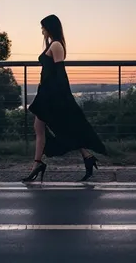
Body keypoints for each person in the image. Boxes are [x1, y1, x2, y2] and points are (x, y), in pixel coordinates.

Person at [22, 14, 106, 183]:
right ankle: (86, 156)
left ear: (50, 27)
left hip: (51, 94)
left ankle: (38, 164)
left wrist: (64, 97)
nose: (42, 31)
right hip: (45, 92)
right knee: (48, 127)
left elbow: (61, 73)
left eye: (43, 27)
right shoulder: (53, 44)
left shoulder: (56, 45)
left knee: (53, 127)